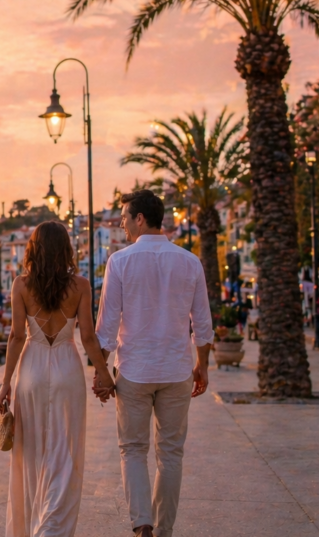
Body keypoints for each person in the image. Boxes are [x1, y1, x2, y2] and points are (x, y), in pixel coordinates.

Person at [92, 190, 213, 537]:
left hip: (134, 371)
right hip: (176, 371)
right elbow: (202, 326)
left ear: (140, 218)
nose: (122, 224)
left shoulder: (121, 261)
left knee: (132, 449)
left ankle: (141, 523)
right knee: (171, 453)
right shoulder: (190, 262)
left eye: (125, 218)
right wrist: (201, 366)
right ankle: (163, 531)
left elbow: (106, 329)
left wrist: (103, 374)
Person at [0, 221, 112, 537]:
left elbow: (16, 337)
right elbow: (88, 338)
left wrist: (6, 383)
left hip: (31, 371)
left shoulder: (21, 285)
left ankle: (35, 523)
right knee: (65, 452)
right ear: (66, 250)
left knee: (31, 451)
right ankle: (51, 528)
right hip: (66, 368)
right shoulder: (81, 286)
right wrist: (105, 375)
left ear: (33, 248)